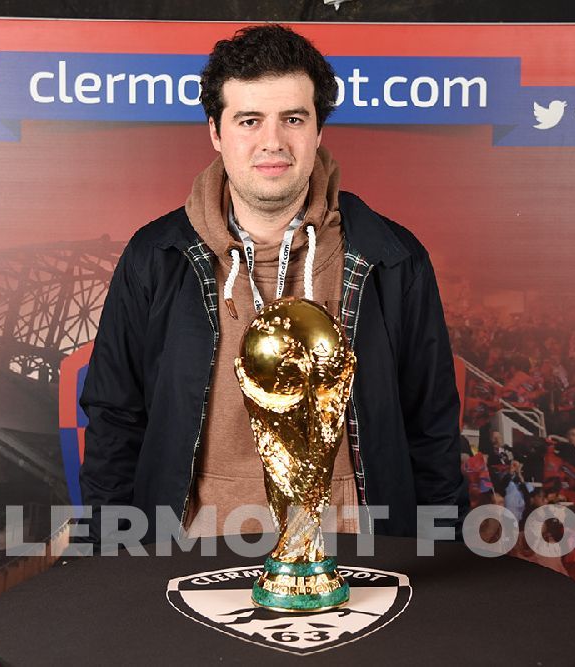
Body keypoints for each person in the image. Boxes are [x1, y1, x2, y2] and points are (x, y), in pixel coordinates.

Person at [77, 25, 467, 548]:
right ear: (215, 132)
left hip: (357, 552)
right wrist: (112, 554)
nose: (273, 141)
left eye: (293, 119)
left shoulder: (391, 260)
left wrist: (444, 556)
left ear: (319, 130)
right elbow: (114, 422)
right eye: (249, 120)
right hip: (192, 550)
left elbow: (431, 428)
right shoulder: (156, 257)